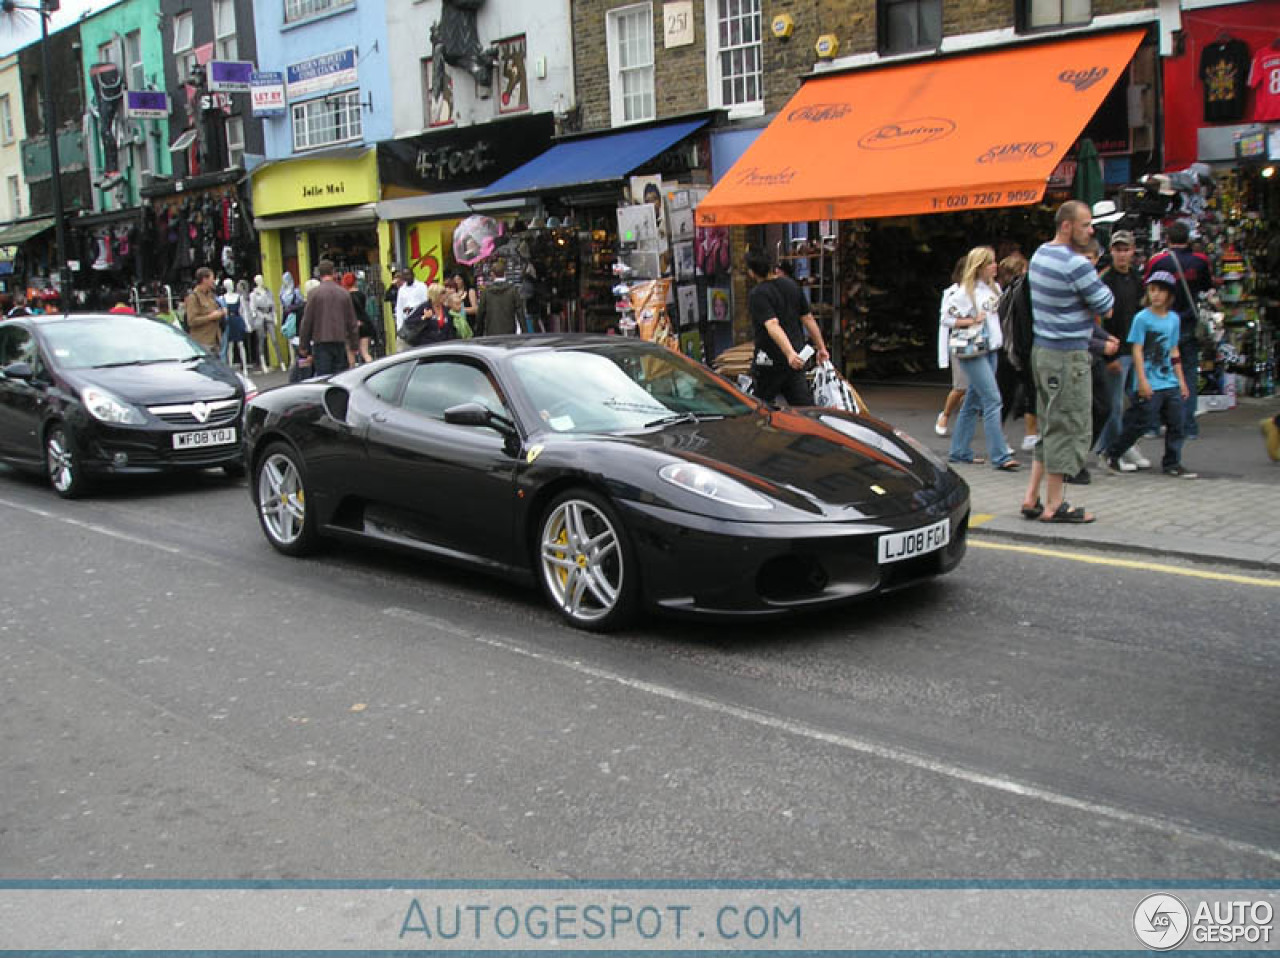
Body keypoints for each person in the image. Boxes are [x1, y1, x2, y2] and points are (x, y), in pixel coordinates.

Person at [1019, 200, 1115, 524]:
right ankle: (1054, 504)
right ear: (1066, 226)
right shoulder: (1077, 265)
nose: (1091, 231)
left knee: (1048, 424)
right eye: (1086, 225)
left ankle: (1031, 497)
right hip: (1067, 356)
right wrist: (1089, 304)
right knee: (1067, 425)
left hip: (1043, 352)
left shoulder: (1040, 254)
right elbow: (1105, 303)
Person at [1103, 271, 1195, 478]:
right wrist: (1142, 380)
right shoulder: (1142, 318)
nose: (1156, 295)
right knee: (1142, 421)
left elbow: (1174, 350)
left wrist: (1181, 381)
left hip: (1168, 378)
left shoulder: (1173, 319)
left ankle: (1172, 462)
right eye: (1152, 290)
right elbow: (1137, 349)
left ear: (1169, 295)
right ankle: (1113, 452)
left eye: (1161, 291)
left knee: (1176, 421)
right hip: (1149, 379)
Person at [942, 247, 1018, 470]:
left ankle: (960, 450)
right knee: (993, 400)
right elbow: (946, 318)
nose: (995, 266)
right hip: (974, 350)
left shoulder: (992, 288)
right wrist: (972, 320)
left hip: (989, 349)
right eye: (990, 263)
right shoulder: (965, 292)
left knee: (974, 401)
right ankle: (1000, 455)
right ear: (980, 267)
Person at [1145, 220, 1215, 440]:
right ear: (1188, 239)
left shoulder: (1159, 261)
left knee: (1158, 373)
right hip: (1188, 323)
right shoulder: (1200, 261)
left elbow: (1147, 287)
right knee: (1188, 375)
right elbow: (1206, 286)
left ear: (1167, 239)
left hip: (1163, 323)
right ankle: (1187, 426)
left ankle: (1154, 424)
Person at [1094, 230, 1149, 470]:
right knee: (1114, 404)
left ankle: (1121, 445)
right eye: (1118, 249)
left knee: (1134, 402)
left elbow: (1140, 313)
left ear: (1132, 250)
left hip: (1133, 348)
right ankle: (1113, 449)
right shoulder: (1105, 279)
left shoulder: (1137, 279)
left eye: (1126, 249)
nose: (1122, 254)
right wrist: (1110, 355)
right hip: (1114, 348)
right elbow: (1100, 320)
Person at [745, 252, 826, 406]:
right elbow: (808, 318)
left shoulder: (758, 294)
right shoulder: (791, 285)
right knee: (803, 408)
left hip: (769, 362)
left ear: (752, 272)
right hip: (797, 359)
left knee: (762, 409)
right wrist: (821, 348)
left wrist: (788, 353)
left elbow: (772, 324)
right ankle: (808, 429)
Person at [994, 252, 1038, 450]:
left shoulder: (1004, 293)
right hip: (1019, 348)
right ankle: (1030, 433)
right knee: (1030, 391)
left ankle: (1000, 436)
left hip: (1006, 349)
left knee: (1005, 395)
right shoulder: (1022, 291)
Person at [297, 259, 360, 377]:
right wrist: (354, 345)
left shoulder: (314, 294)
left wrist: (303, 345)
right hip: (340, 341)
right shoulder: (344, 293)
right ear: (334, 273)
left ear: (319, 274)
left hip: (321, 342)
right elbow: (352, 321)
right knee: (340, 377)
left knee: (324, 378)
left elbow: (307, 321)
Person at [935, 256, 968, 436]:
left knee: (977, 390)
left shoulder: (984, 290)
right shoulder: (952, 293)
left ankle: (964, 423)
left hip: (980, 344)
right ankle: (946, 414)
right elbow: (945, 320)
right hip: (961, 343)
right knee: (961, 386)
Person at [475, 259, 524, 336]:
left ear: (492, 274)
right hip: (510, 332)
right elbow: (520, 313)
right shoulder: (513, 290)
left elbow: (480, 314)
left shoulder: (486, 292)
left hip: (491, 332)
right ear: (505, 273)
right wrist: (524, 332)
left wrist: (478, 333)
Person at [183, 266, 226, 352]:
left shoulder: (211, 295)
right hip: (202, 342)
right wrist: (211, 317)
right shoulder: (193, 297)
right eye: (212, 278)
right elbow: (191, 321)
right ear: (204, 279)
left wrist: (221, 313)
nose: (213, 281)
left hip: (215, 341)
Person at [249, 275, 282, 373]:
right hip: (260, 316)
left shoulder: (268, 292)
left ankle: (281, 361)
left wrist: (274, 316)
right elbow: (252, 307)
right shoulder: (254, 294)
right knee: (261, 340)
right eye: (258, 280)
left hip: (269, 315)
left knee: (274, 339)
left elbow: (273, 305)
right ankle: (263, 363)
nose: (261, 281)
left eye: (262, 280)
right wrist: (254, 316)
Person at [341, 272, 374, 364]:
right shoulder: (361, 294)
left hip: (352, 326)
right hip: (364, 324)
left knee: (350, 353)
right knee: (365, 352)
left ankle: (352, 374)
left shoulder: (345, 296)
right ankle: (371, 368)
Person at [218, 277, 248, 372]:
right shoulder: (222, 298)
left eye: (231, 284)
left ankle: (245, 367)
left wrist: (246, 323)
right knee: (229, 345)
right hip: (228, 321)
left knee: (240, 344)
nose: (230, 286)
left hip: (237, 320)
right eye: (228, 285)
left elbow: (244, 311)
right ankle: (230, 367)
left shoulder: (239, 297)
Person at [394, 267, 429, 350]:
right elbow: (399, 308)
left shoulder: (421, 286)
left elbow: (425, 303)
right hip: (406, 323)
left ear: (413, 274)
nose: (407, 277)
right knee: (402, 349)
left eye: (408, 274)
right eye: (404, 275)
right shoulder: (402, 290)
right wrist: (399, 326)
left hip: (419, 322)